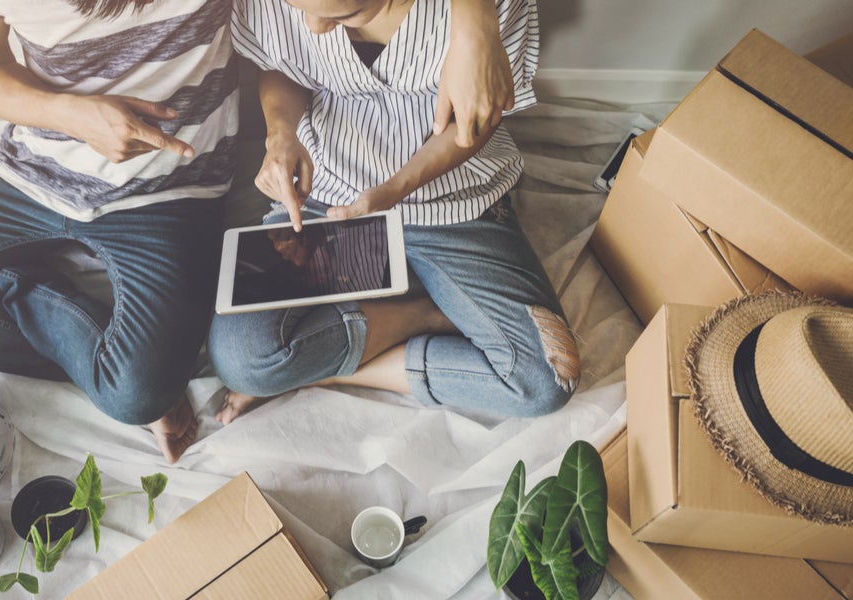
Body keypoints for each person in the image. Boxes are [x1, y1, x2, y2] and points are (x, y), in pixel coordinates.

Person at [0, 0, 514, 464]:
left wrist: (476, 19)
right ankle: (29, 290)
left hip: (170, 188)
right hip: (34, 167)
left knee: (137, 393)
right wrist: (70, 115)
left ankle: (31, 293)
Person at [209, 0, 581, 425]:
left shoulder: (487, 12)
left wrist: (397, 188)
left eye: (342, 14)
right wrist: (281, 133)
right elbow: (281, 61)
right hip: (328, 197)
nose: (312, 27)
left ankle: (328, 374)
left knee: (547, 377)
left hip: (455, 203)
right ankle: (425, 313)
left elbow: (474, 121)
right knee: (241, 360)